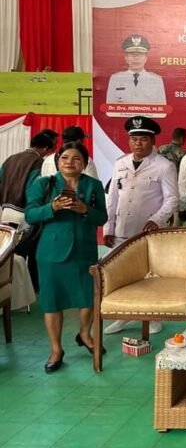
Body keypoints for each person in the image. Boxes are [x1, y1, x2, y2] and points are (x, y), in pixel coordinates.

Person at [24, 142, 108, 372]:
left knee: (89, 297)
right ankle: (56, 350)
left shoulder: (93, 185)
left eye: (76, 158)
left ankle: (85, 334)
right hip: (51, 253)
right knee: (52, 301)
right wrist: (52, 207)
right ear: (57, 161)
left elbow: (102, 217)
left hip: (84, 250)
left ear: (85, 163)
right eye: (65, 158)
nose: (70, 162)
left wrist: (85, 210)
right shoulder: (44, 184)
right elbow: (30, 215)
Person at [103, 116, 179, 335]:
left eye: (143, 139)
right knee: (121, 275)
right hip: (121, 229)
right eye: (134, 139)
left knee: (148, 275)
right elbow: (112, 197)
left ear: (152, 141)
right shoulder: (120, 163)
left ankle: (151, 316)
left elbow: (172, 199)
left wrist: (157, 219)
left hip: (148, 231)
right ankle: (124, 315)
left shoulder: (164, 166)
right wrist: (108, 227)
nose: (138, 143)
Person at [0, 133, 56, 296]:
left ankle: (10, 284)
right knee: (32, 251)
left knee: (9, 251)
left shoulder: (10, 159)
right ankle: (31, 288)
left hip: (5, 211)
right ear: (45, 149)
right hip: (26, 213)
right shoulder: (38, 162)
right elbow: (34, 190)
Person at [106, 34, 166, 104]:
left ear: (146, 58)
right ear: (126, 58)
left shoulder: (156, 80)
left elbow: (161, 109)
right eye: (132, 55)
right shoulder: (116, 78)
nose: (136, 58)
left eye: (140, 54)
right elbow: (110, 107)